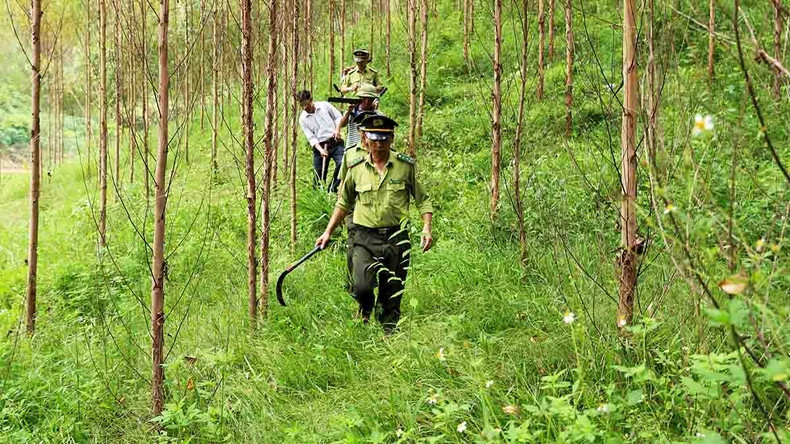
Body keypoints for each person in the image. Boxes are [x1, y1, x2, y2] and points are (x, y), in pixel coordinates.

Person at [316, 114, 434, 332]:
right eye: (374, 137)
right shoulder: (355, 167)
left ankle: (388, 331)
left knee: (393, 288)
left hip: (396, 237)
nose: (379, 142)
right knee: (361, 286)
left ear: (391, 139)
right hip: (364, 237)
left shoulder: (405, 166)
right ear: (365, 139)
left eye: (384, 137)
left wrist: (426, 227)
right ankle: (365, 308)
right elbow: (344, 202)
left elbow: (422, 199)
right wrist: (328, 231)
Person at [296, 90, 345, 191]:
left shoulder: (325, 106)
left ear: (311, 99)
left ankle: (332, 188)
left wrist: (337, 129)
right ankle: (317, 197)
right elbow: (311, 137)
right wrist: (321, 150)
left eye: (306, 104)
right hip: (320, 146)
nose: (304, 107)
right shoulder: (303, 119)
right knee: (319, 174)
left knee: (342, 164)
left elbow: (338, 117)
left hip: (335, 141)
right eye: (301, 105)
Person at [335, 84, 381, 149]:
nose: (367, 102)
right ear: (360, 98)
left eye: (370, 99)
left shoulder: (377, 114)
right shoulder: (352, 111)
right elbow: (342, 124)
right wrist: (348, 112)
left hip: (369, 149)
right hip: (352, 147)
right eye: (364, 98)